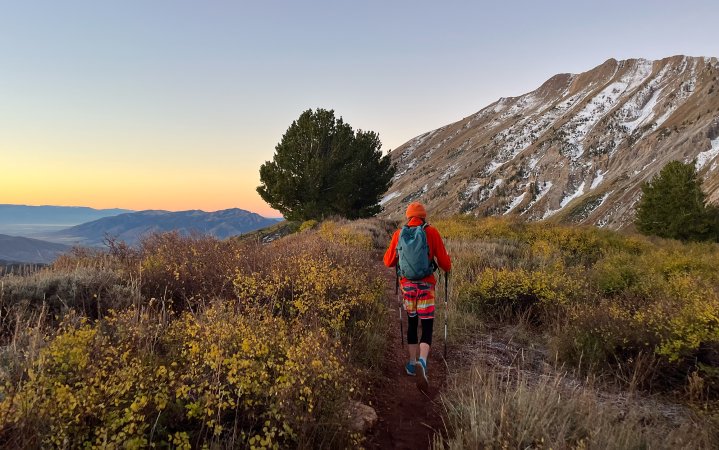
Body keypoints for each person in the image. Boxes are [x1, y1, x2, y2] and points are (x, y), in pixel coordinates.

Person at [383, 202, 451, 391]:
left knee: (412, 323)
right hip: (426, 285)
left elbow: (388, 261)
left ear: (408, 216)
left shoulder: (399, 234)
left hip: (407, 286)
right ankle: (423, 360)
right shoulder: (432, 232)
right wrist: (448, 261)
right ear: (423, 216)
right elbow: (445, 264)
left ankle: (412, 363)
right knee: (427, 324)